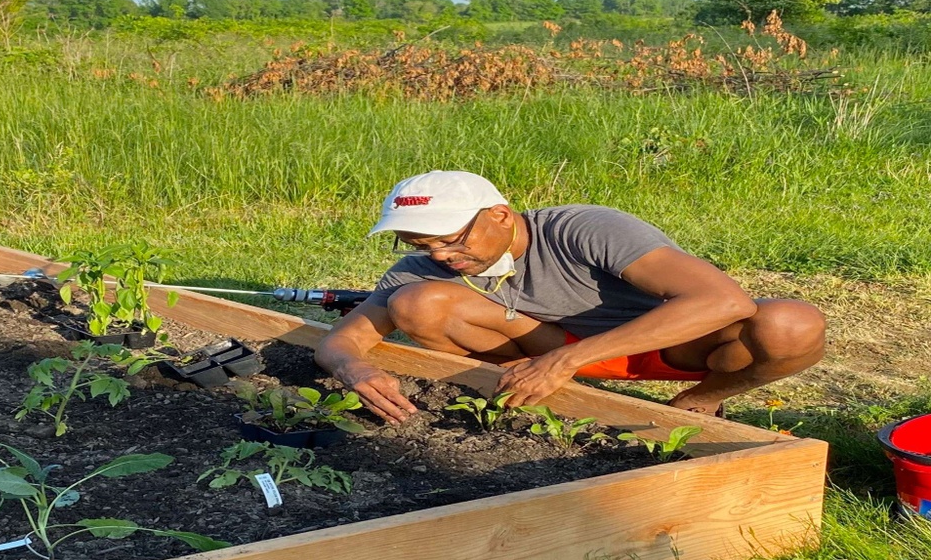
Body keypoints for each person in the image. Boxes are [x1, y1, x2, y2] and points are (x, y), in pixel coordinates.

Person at [313, 170, 825, 425]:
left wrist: (568, 358)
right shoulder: (421, 269)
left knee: (791, 324)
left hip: (671, 344)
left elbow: (725, 302)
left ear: (500, 215)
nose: (442, 256)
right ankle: (524, 404)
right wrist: (354, 370)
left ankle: (698, 404)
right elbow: (343, 339)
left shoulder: (583, 228)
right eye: (422, 244)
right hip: (548, 351)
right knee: (417, 303)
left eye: (452, 239)